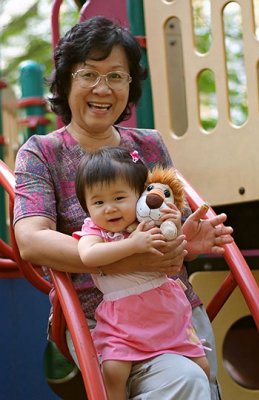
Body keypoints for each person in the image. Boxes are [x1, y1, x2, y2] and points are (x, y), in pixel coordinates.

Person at [14, 16, 233, 400]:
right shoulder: (43, 152)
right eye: (89, 74)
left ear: (130, 85)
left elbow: (169, 229)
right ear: (66, 80)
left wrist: (189, 241)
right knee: (186, 383)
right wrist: (125, 258)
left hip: (170, 307)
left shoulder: (148, 145)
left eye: (117, 76)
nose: (103, 88)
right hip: (101, 317)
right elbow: (32, 241)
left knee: (199, 382)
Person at [73, 146, 210, 400]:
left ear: (138, 197)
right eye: (98, 202)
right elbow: (88, 256)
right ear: (86, 207)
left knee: (203, 368)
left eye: (119, 198)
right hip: (122, 321)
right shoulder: (95, 232)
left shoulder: (147, 224)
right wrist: (132, 245)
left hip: (165, 313)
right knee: (113, 370)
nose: (110, 209)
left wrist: (177, 226)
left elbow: (173, 250)